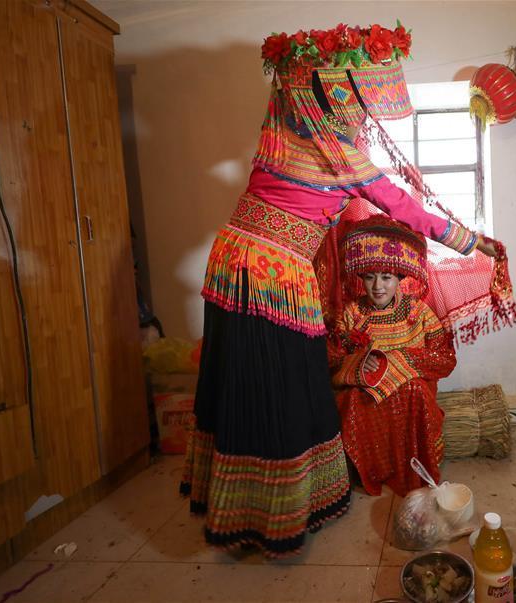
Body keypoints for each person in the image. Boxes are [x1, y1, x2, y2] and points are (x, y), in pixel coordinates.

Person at [179, 22, 498, 557]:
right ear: (339, 101)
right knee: (281, 389)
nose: (363, 114)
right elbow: (406, 207)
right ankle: (274, 518)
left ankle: (238, 505)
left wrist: (304, 68)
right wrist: (471, 242)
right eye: (356, 101)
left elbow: (288, 87)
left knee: (241, 380)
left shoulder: (278, 130)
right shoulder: (345, 159)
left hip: (230, 262)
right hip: (273, 277)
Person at [328, 216, 456, 496]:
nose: (378, 286)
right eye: (370, 277)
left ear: (400, 278)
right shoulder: (351, 314)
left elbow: (445, 359)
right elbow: (332, 359)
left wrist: (399, 361)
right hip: (365, 391)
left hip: (410, 389)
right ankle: (370, 471)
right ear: (361, 277)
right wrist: (358, 365)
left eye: (386, 277)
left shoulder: (419, 312)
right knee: (350, 400)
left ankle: (412, 470)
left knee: (415, 392)